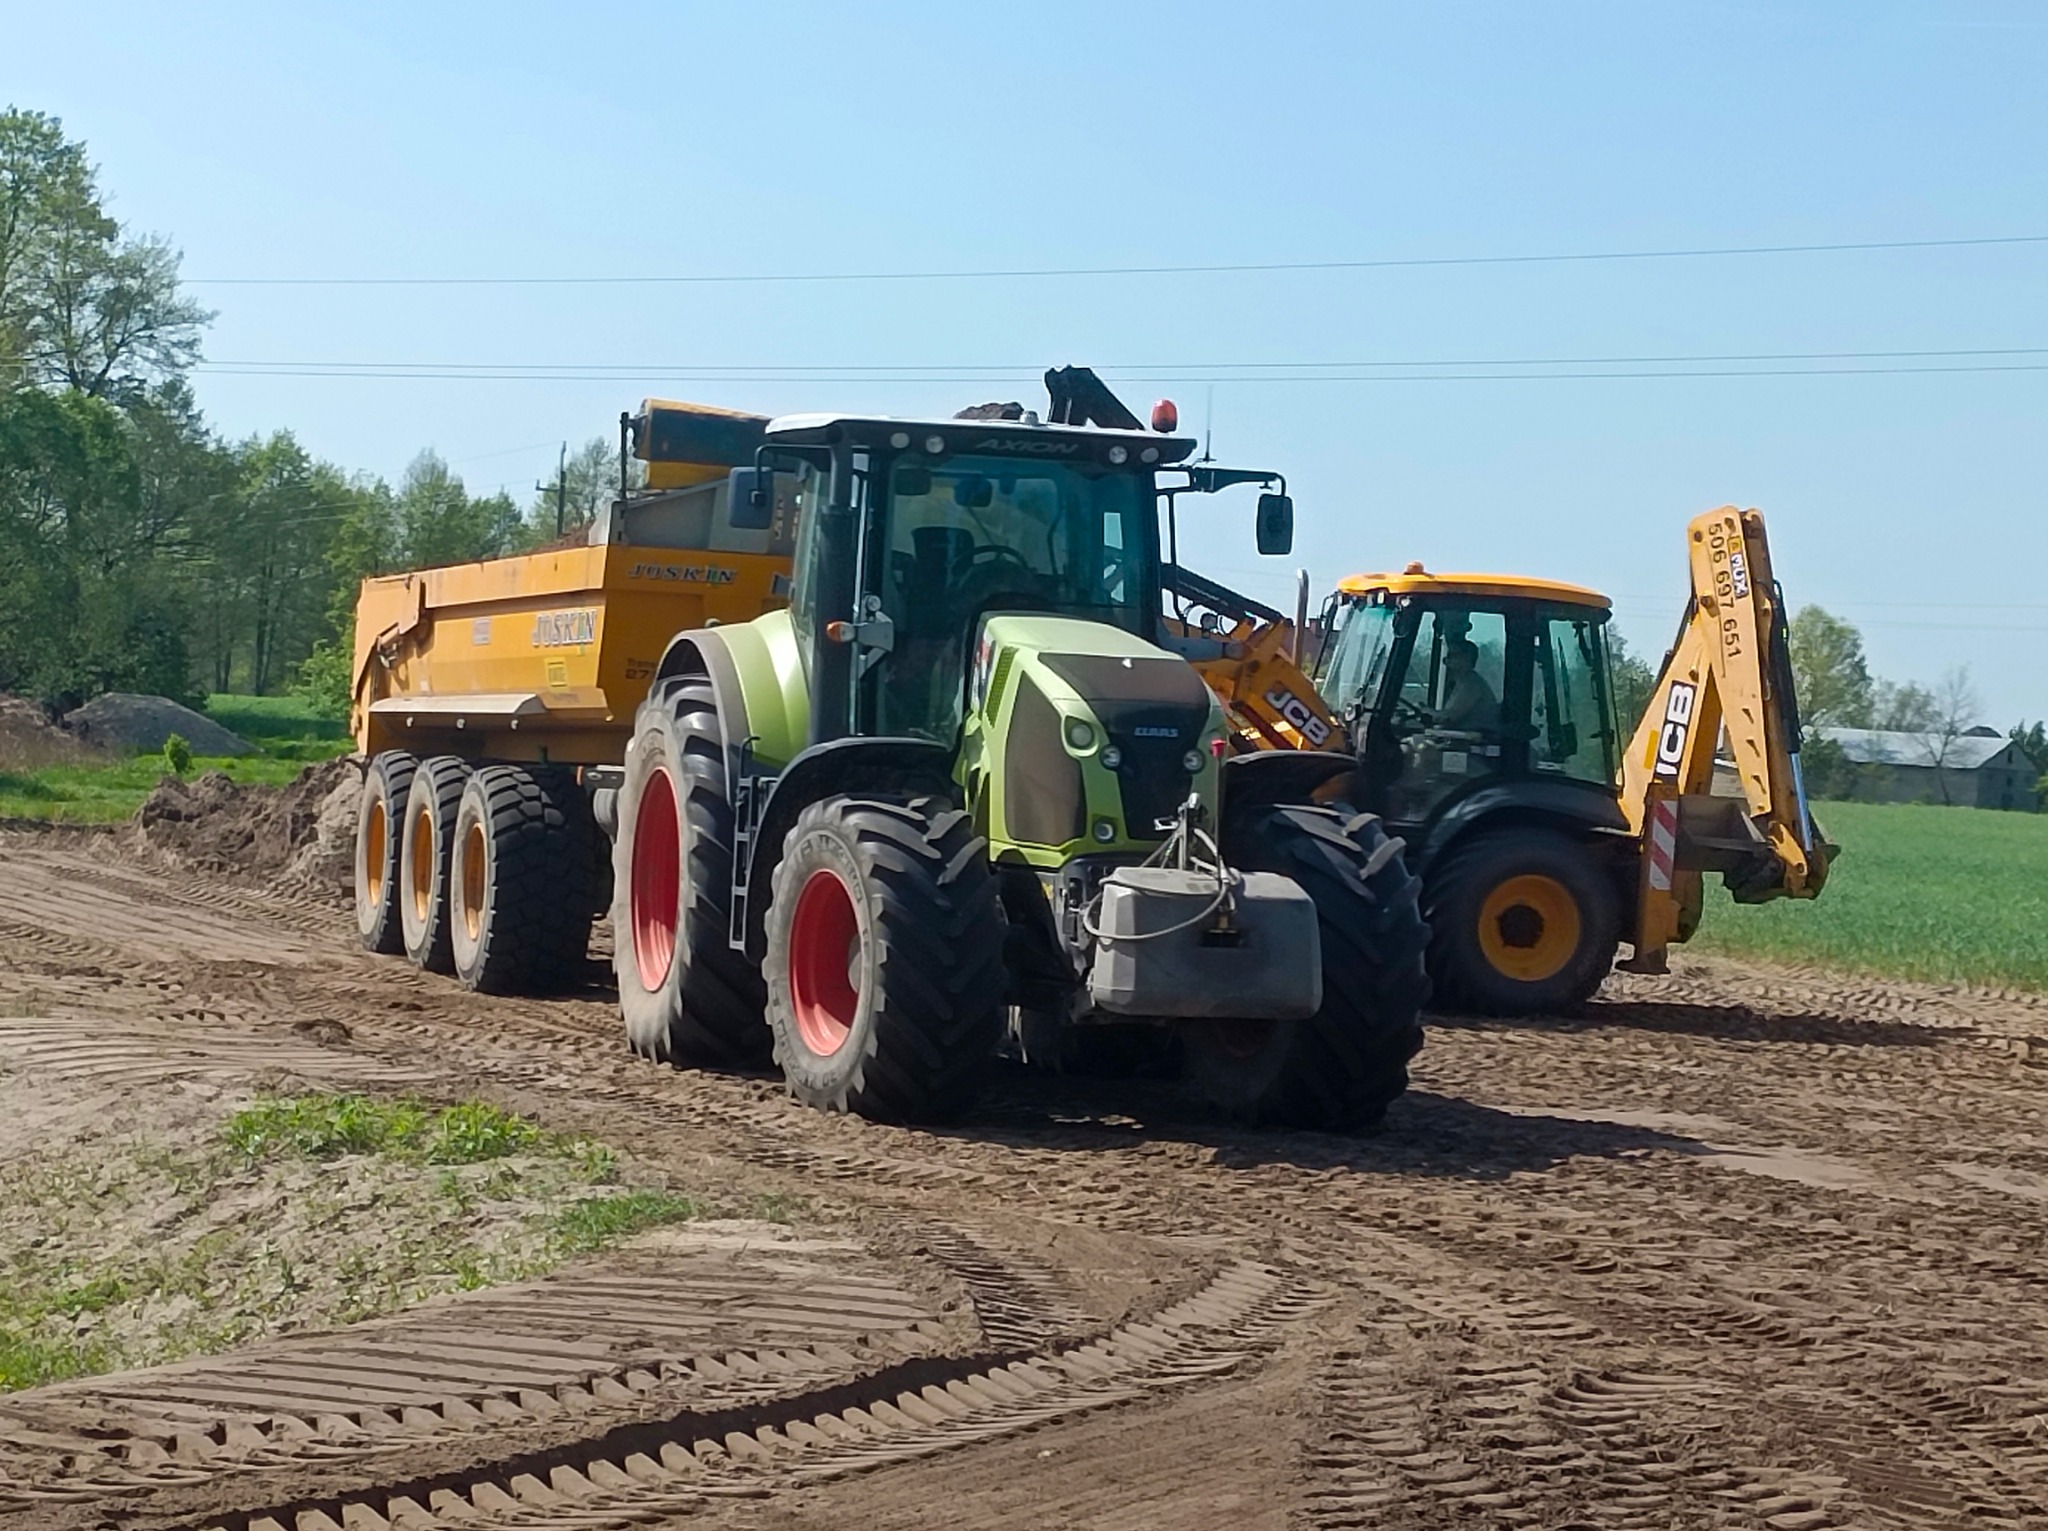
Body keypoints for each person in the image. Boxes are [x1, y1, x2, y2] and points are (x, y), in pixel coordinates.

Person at [1435, 638, 1497, 731]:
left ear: (1466, 659)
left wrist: (1427, 712)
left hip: (1478, 740)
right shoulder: (1461, 683)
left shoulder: (1472, 684)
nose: (1446, 661)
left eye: (1453, 655)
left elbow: (1450, 718)